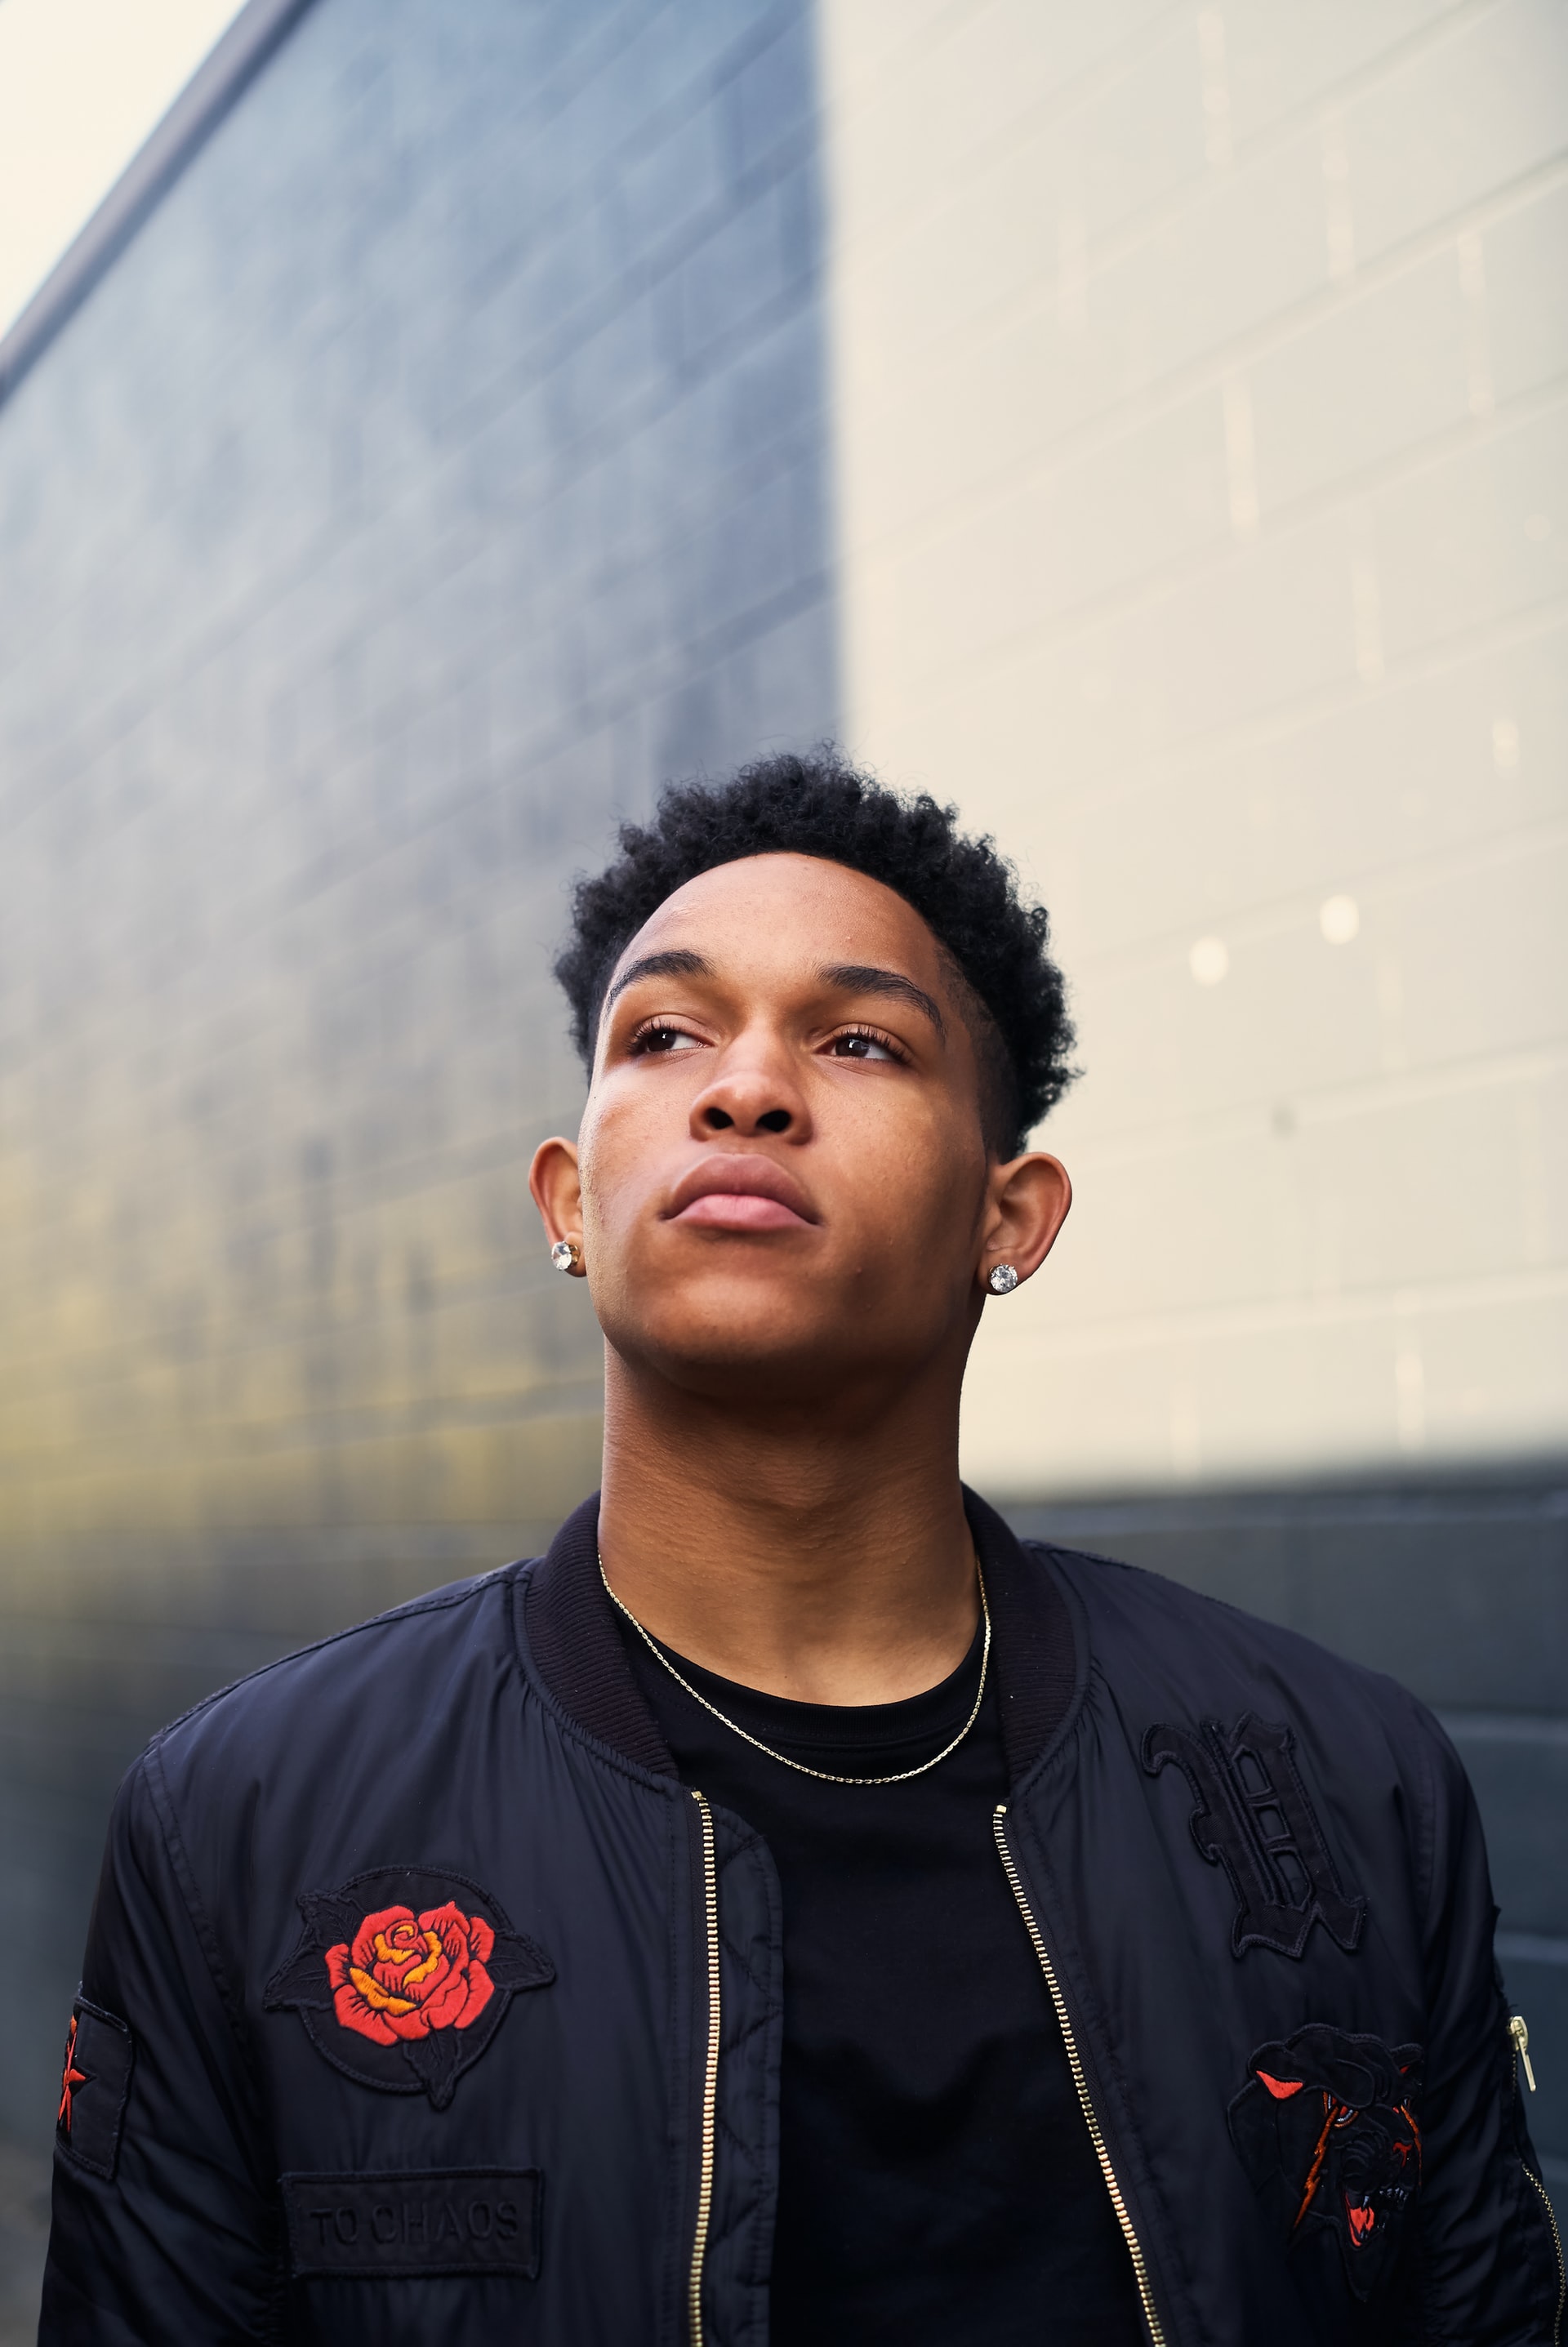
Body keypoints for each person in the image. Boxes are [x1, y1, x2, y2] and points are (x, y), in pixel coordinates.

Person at [42, 752, 1561, 2345]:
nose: (747, 1088)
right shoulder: (243, 1820)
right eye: (664, 1034)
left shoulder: (1350, 1783)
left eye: (858, 1040)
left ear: (1010, 1217)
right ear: (568, 1201)